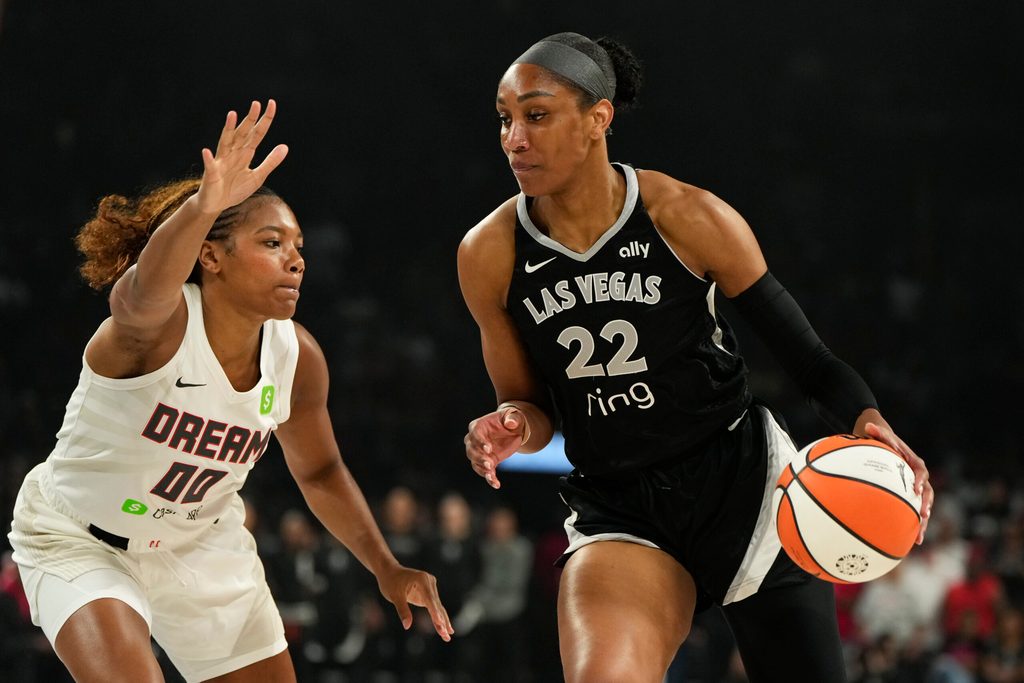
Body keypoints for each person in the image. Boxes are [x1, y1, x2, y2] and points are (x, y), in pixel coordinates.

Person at [458, 32, 934, 683]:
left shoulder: (686, 215)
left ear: (599, 118)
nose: (514, 137)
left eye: (535, 115)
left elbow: (812, 360)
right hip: (619, 502)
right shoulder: (488, 253)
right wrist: (509, 422)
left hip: (744, 483)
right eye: (505, 118)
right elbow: (531, 405)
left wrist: (869, 419)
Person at [7, 100, 453, 683]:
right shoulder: (159, 328)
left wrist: (385, 566)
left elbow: (319, 474)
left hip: (201, 543)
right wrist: (205, 205)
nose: (295, 260)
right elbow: (135, 295)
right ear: (211, 255)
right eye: (272, 243)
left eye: (298, 248)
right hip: (82, 538)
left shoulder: (299, 357)